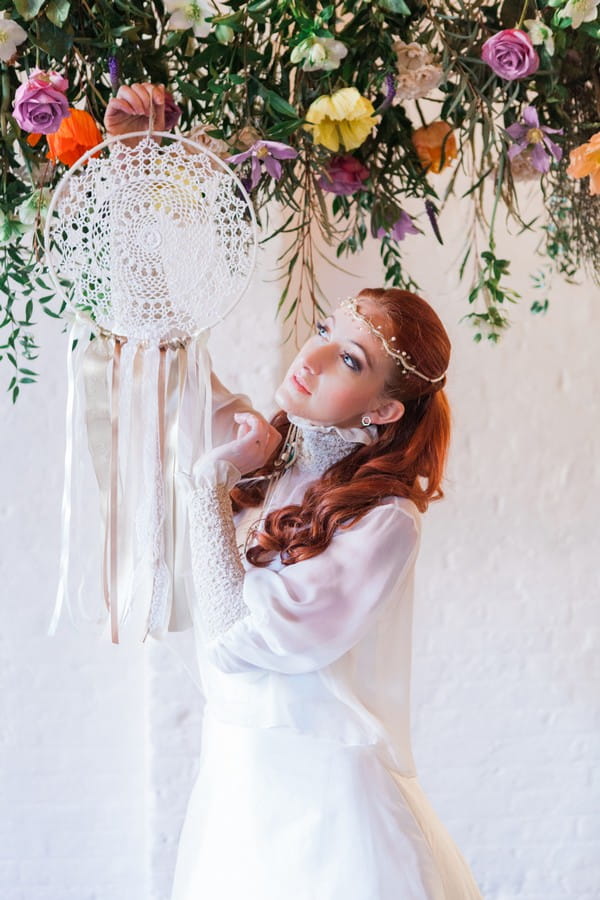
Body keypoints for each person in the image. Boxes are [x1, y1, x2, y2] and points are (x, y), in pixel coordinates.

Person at [169, 287, 483, 900]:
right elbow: (177, 381)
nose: (309, 358)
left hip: (320, 812)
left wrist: (210, 483)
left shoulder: (385, 522)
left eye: (350, 359)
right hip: (239, 785)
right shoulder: (276, 456)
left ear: (385, 410)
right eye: (322, 329)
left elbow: (245, 638)